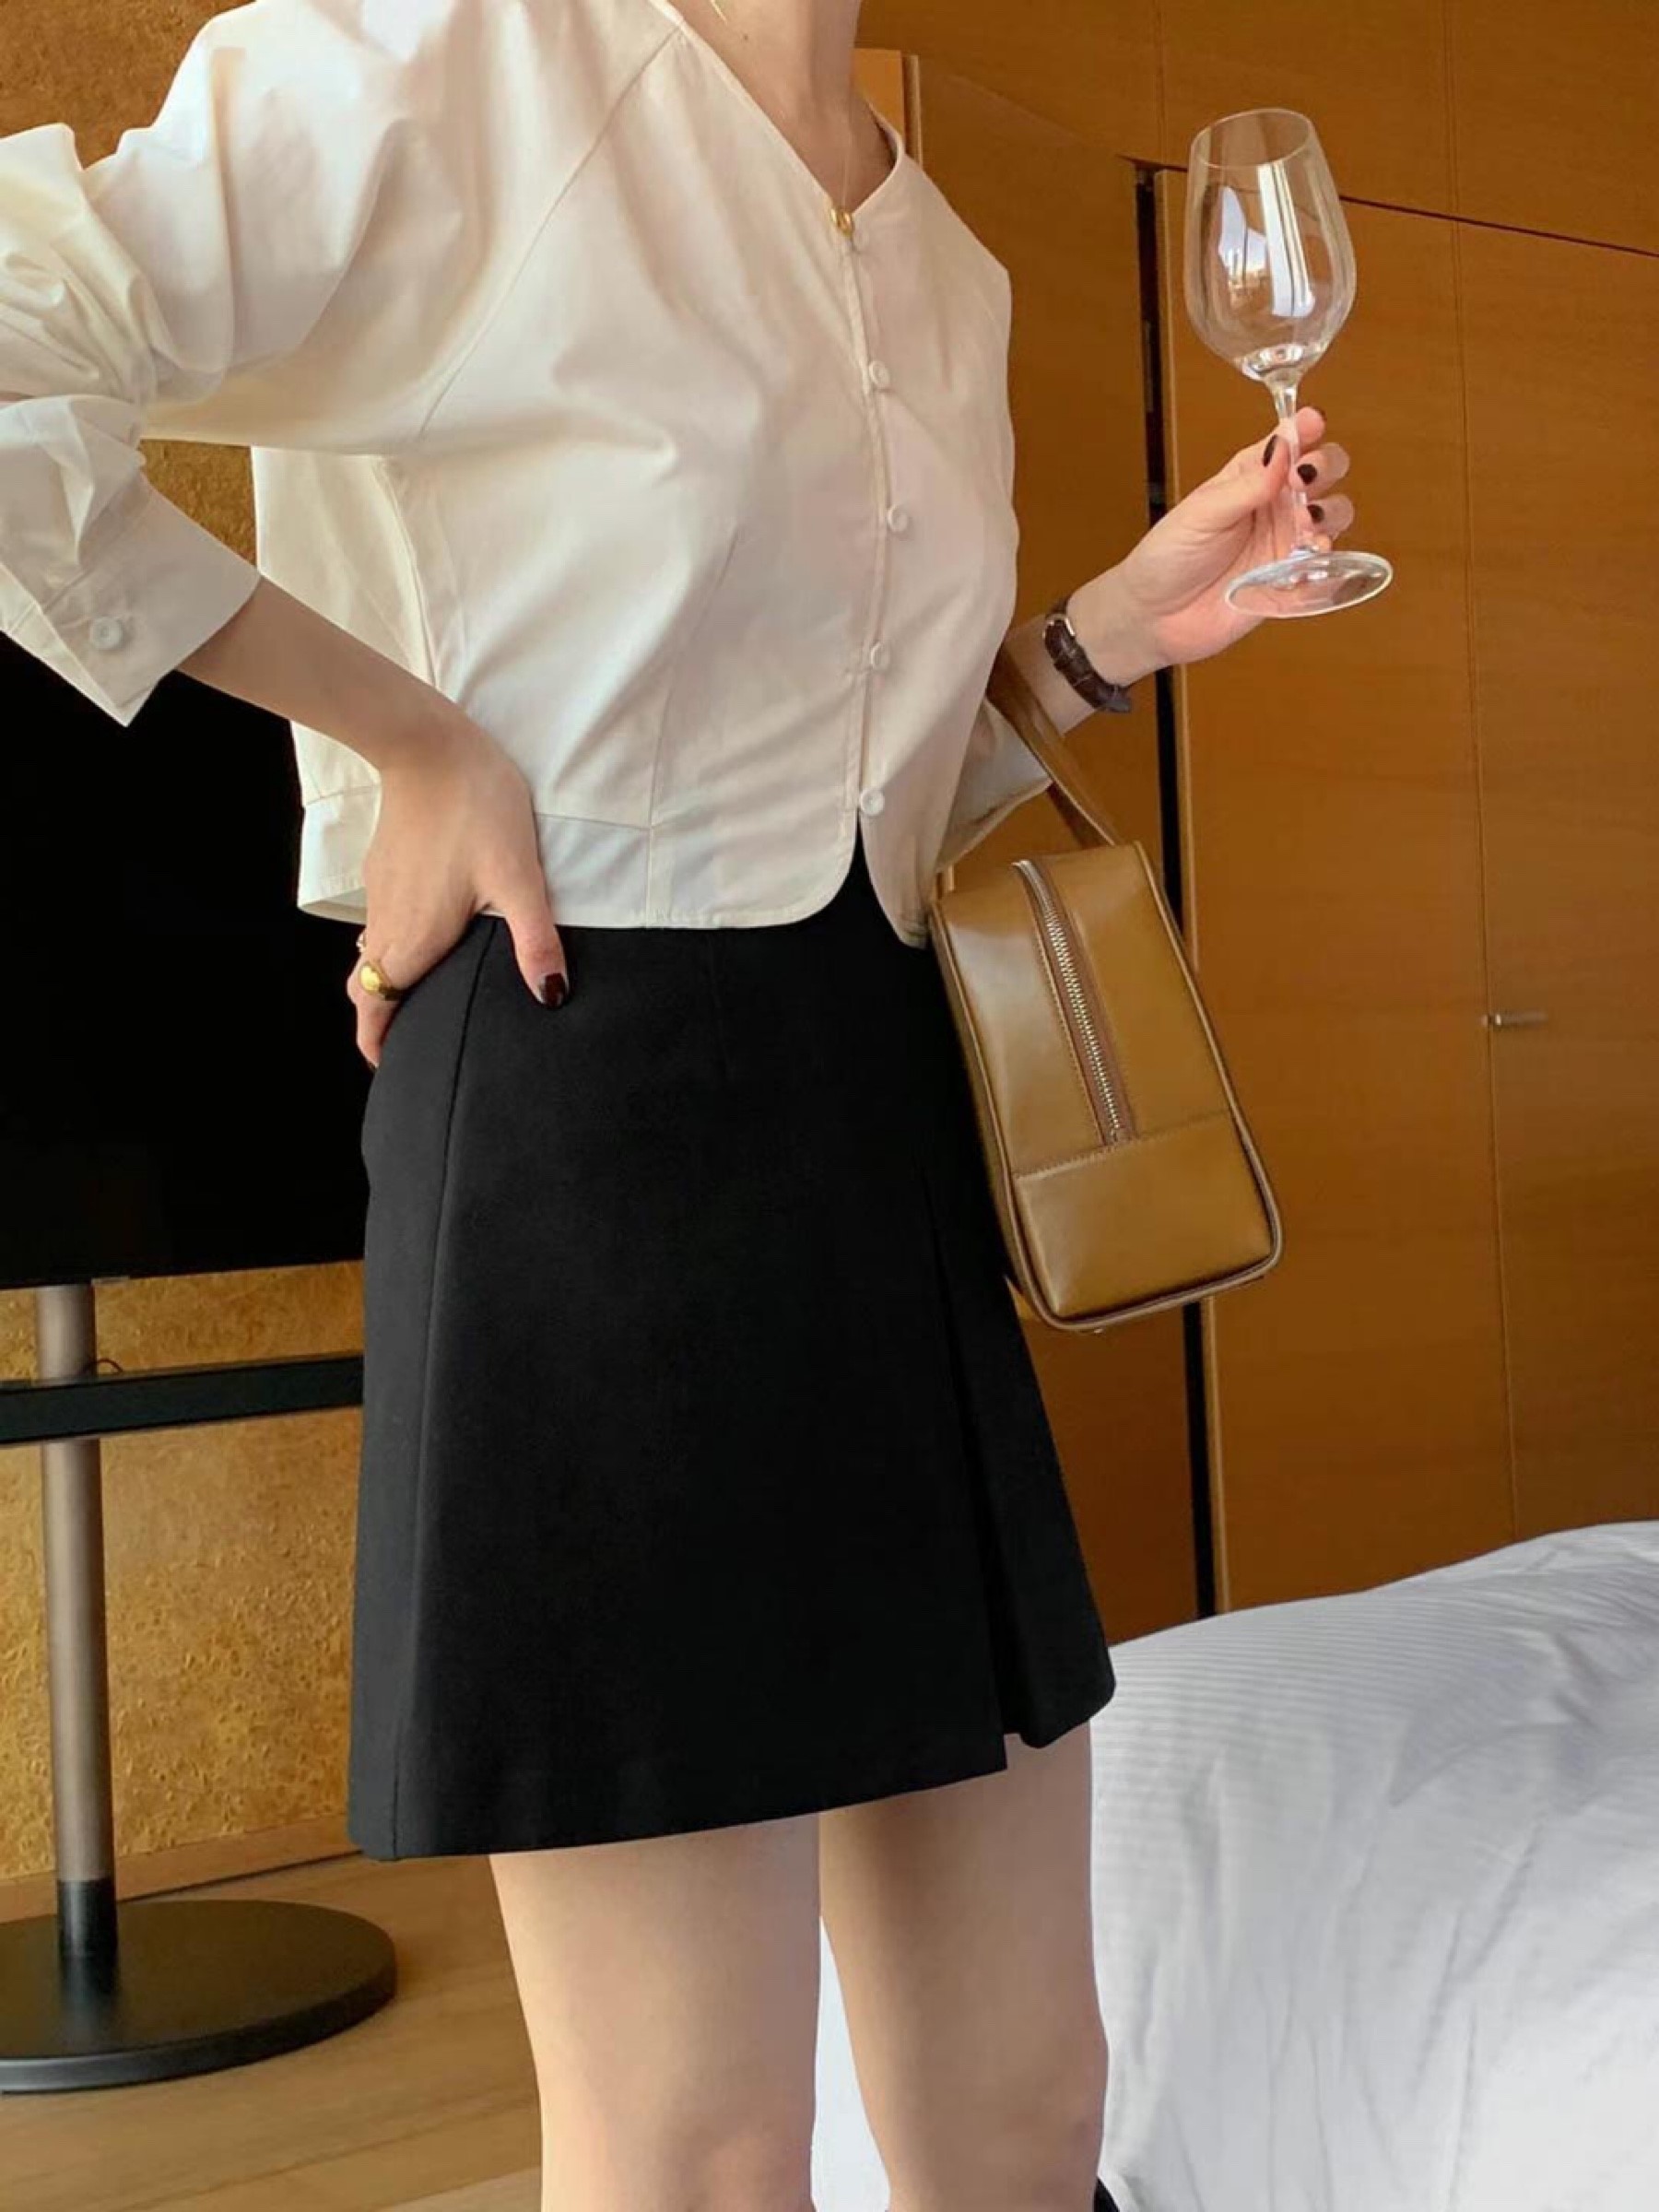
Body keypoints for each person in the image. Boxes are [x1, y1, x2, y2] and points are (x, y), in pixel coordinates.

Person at [0, 2, 1352, 2206]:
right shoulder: (445, 60)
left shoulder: (941, 258)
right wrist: (409, 735)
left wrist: (1104, 633)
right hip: (582, 1110)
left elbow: (840, 806)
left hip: (883, 1126)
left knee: (1025, 2105)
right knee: (701, 2145)